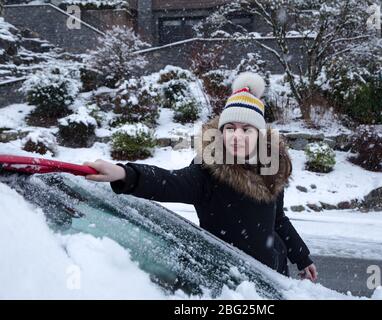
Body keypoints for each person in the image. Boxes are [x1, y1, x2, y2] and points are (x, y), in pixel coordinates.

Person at [84, 72, 318, 281]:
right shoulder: (207, 171)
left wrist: (302, 257)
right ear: (221, 131)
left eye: (246, 129)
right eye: (230, 128)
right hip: (230, 280)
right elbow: (169, 182)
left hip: (273, 274)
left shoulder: (270, 170)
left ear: (259, 134)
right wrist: (125, 174)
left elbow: (278, 220)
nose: (237, 135)